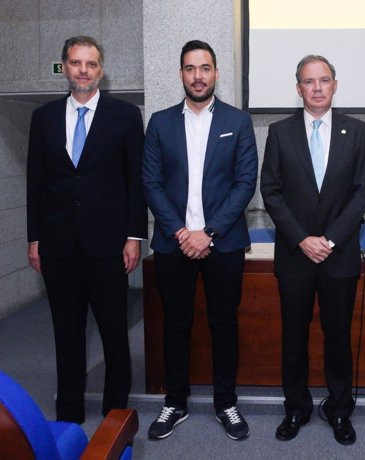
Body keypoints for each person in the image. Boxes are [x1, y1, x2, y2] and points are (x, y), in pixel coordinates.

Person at [26, 36, 147, 423]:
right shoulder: (42, 117)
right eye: (76, 63)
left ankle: (116, 414)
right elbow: (35, 182)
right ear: (64, 66)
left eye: (91, 64)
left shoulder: (125, 116)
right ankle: (69, 411)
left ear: (101, 69)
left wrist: (134, 237)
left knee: (114, 334)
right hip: (58, 246)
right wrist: (35, 237)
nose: (83, 70)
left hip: (109, 246)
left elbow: (136, 182)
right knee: (67, 334)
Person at [142, 40, 258, 441]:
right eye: (190, 68)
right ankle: (175, 402)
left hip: (222, 244)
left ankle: (226, 403)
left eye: (205, 68)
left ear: (216, 73)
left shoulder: (238, 121)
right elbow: (151, 183)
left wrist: (208, 233)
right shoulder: (159, 122)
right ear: (180, 74)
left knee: (224, 325)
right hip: (174, 244)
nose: (197, 76)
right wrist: (181, 233)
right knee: (175, 325)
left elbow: (245, 183)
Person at [260, 55, 365, 445]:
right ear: (298, 89)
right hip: (295, 256)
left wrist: (330, 239)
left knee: (338, 337)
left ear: (335, 85)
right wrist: (302, 238)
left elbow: (362, 192)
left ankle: (341, 410)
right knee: (294, 338)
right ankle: (296, 409)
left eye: (324, 80)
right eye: (309, 81)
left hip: (338, 256)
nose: (318, 88)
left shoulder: (357, 132)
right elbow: (271, 191)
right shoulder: (279, 132)